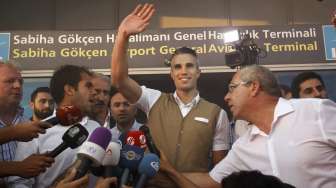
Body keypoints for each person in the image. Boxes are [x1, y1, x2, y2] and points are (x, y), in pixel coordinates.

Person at [111, 4, 230, 187]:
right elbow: (119, 80)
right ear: (171, 74)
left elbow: (219, 171)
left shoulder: (217, 113)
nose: (184, 71)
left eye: (189, 66)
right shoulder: (154, 99)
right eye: (177, 67)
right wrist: (122, 36)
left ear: (198, 72)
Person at [160, 65, 336, 188]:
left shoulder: (317, 111)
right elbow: (210, 182)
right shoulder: (243, 147)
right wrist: (163, 171)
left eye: (232, 88)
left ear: (253, 87)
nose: (226, 97)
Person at [9, 65, 101, 188]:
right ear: (70, 90)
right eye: (88, 86)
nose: (94, 92)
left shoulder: (97, 129)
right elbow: (18, 183)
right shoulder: (35, 132)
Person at [0, 62, 54, 186]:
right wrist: (17, 168)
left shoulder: (27, 124)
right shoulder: (25, 128)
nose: (18, 86)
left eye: (21, 82)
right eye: (9, 81)